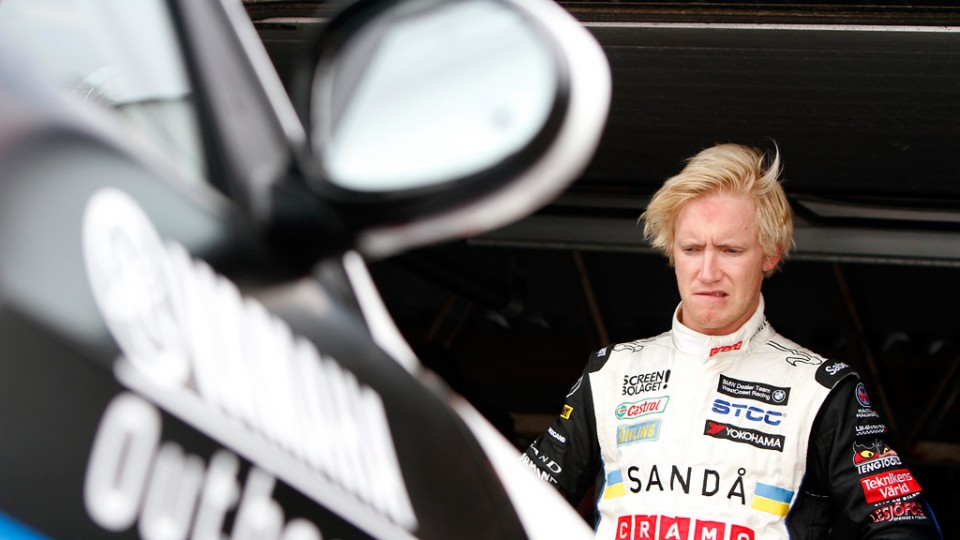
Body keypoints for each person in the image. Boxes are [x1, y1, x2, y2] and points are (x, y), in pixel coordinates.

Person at [521, 143, 941, 539]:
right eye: (691, 249)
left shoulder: (819, 389)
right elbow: (514, 502)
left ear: (770, 253)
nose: (707, 272)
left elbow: (903, 522)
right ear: (671, 252)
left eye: (730, 250)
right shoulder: (611, 372)